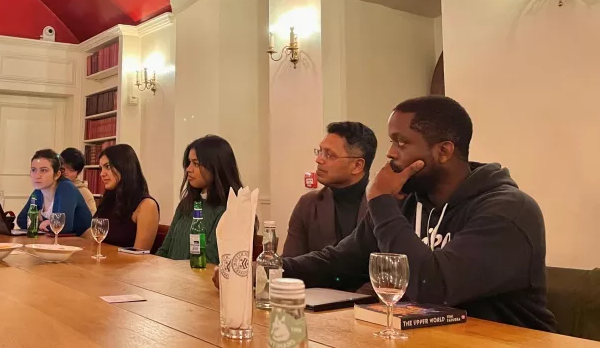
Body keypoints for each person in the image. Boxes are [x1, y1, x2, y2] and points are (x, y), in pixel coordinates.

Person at [280, 96, 556, 331]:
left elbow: (433, 286)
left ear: (444, 151)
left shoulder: (508, 211)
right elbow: (339, 262)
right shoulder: (407, 202)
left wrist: (382, 202)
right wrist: (270, 271)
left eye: (401, 143)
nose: (389, 154)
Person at [282, 122, 376, 258]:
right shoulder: (308, 204)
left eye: (329, 155)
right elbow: (289, 264)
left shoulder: (383, 206)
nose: (319, 160)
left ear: (357, 165)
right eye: (320, 151)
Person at [156, 135, 243, 264]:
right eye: (189, 163)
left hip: (198, 281)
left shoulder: (230, 209)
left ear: (216, 167)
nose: (188, 169)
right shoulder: (187, 203)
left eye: (196, 164)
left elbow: (209, 261)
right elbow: (165, 250)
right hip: (172, 279)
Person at [90, 144, 159, 250]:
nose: (102, 174)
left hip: (127, 266)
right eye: (101, 168)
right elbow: (95, 243)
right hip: (101, 263)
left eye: (108, 167)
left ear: (125, 167)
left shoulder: (146, 205)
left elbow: (140, 256)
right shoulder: (109, 200)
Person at [17, 149, 92, 236]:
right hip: (58, 241)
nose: (37, 176)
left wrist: (39, 224)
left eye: (44, 170)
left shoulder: (66, 188)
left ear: (57, 174)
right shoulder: (38, 192)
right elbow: (21, 220)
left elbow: (63, 227)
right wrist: (40, 224)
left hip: (83, 242)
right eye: (33, 170)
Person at [59, 147, 97, 214]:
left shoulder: (83, 192)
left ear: (78, 172)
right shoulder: (51, 185)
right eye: (63, 168)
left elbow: (92, 220)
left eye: (71, 170)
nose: (66, 172)